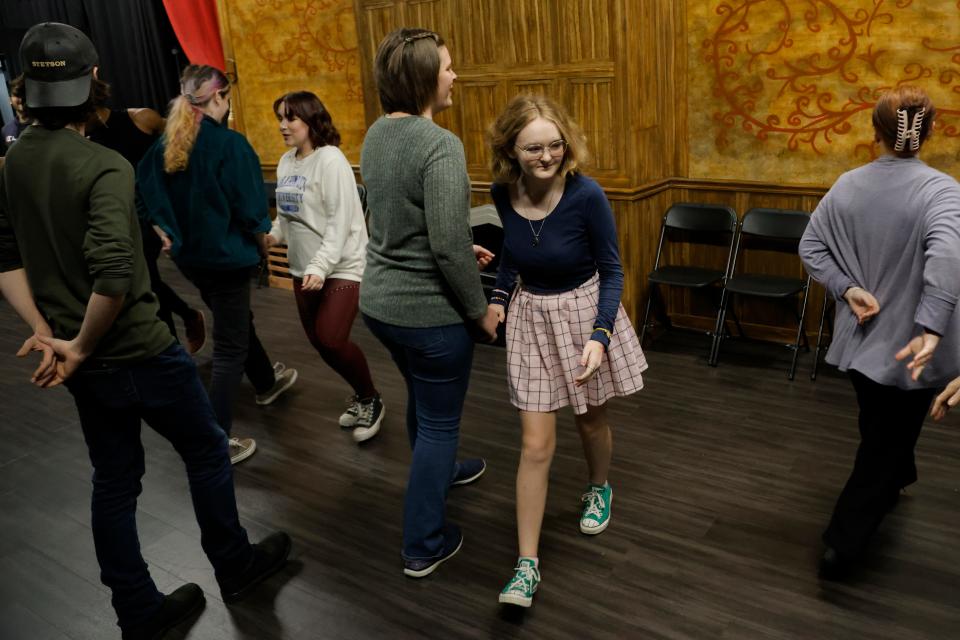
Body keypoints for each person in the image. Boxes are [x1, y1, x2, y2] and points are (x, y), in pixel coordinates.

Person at [0, 22, 290, 640]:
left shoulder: (16, 158)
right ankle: (235, 567)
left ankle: (137, 610)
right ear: (91, 87)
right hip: (135, 349)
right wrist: (77, 343)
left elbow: (6, 255)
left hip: (83, 363)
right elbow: (112, 274)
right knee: (208, 450)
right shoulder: (104, 163)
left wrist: (49, 333)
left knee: (114, 479)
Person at [486, 95, 648, 607]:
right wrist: (497, 300)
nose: (547, 156)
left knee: (590, 421)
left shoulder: (587, 196)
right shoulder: (502, 191)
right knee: (535, 446)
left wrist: (600, 336)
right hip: (531, 316)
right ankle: (526, 566)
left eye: (555, 145)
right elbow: (513, 252)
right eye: (534, 148)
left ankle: (599, 485)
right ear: (511, 149)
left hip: (583, 314)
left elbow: (613, 269)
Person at [799, 85, 960, 579]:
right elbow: (949, 257)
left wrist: (846, 289)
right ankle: (842, 545)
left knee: (881, 426)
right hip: (912, 350)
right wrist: (932, 326)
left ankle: (898, 477)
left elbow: (810, 246)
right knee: (881, 442)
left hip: (863, 346)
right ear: (929, 132)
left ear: (875, 133)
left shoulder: (847, 184)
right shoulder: (942, 190)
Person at [359, 27, 500, 578]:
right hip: (429, 316)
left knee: (423, 397)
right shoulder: (440, 144)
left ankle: (440, 473)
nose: (454, 76)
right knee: (440, 422)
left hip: (381, 306)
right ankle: (423, 542)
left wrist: (456, 246)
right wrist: (480, 311)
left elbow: (405, 221)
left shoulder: (375, 134)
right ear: (422, 78)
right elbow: (444, 243)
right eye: (446, 67)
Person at [137, 64, 298, 465]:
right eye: (226, 98)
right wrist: (263, 241)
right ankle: (214, 441)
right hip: (227, 260)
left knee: (235, 322)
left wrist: (164, 230)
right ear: (219, 98)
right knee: (229, 348)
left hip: (191, 261)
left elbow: (141, 197)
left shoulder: (163, 147)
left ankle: (265, 382)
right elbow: (251, 212)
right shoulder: (231, 146)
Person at [266, 91, 384, 442]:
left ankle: (372, 399)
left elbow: (340, 222)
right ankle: (363, 396)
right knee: (320, 343)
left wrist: (321, 266)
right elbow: (286, 217)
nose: (283, 126)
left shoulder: (331, 160)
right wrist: (271, 238)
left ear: (311, 119)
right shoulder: (287, 162)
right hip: (305, 269)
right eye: (280, 119)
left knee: (331, 339)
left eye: (291, 118)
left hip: (342, 266)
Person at [87, 102, 206, 353]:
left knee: (148, 284)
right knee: (145, 283)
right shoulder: (85, 138)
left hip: (149, 216)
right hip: (120, 219)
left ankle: (174, 350)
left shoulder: (140, 118)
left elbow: (179, 139)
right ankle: (186, 318)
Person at [1, 74, 30, 154]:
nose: (20, 99)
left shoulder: (41, 124)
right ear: (10, 100)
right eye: (16, 95)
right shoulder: (6, 130)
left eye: (23, 95)